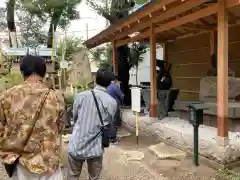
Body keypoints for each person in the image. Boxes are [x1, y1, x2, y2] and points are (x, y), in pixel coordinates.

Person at [0, 55, 65, 179]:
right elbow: (60, 128)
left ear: (22, 72)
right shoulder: (56, 97)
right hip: (49, 164)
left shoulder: (7, 97)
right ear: (44, 72)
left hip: (21, 163)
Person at [67, 68, 117, 180]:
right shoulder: (111, 102)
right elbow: (108, 123)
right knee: (94, 178)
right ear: (109, 83)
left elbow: (75, 118)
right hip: (96, 148)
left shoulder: (81, 96)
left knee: (72, 176)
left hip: (77, 145)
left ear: (95, 79)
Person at [106, 73, 124, 144]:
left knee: (109, 121)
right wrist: (122, 101)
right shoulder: (115, 86)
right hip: (114, 105)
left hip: (108, 105)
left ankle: (109, 137)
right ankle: (113, 139)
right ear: (116, 79)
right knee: (114, 122)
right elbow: (121, 95)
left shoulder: (107, 86)